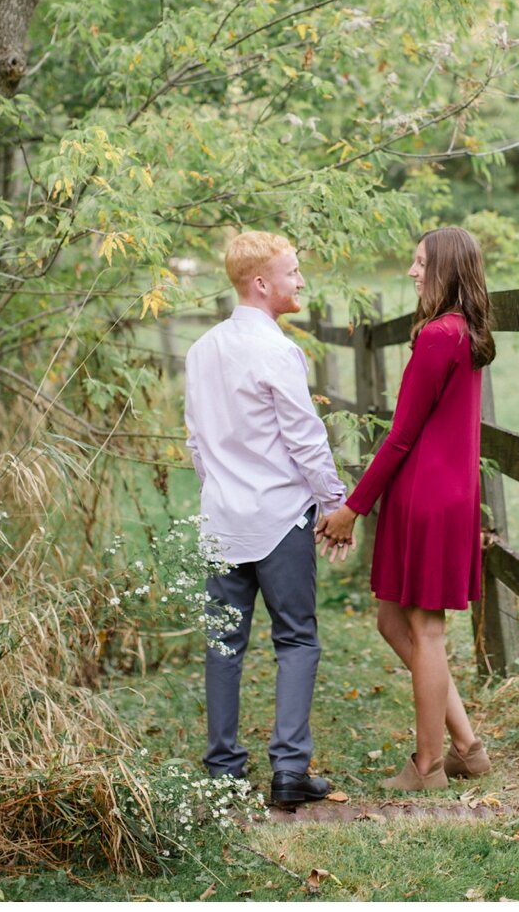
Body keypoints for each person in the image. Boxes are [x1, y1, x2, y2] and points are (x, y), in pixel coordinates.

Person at [318, 227, 495, 792]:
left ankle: (427, 768)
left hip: (429, 496)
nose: (413, 272)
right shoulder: (459, 331)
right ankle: (467, 747)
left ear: (444, 268)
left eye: (420, 263)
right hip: (436, 491)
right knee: (393, 620)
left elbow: (400, 436)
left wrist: (353, 507)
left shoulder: (441, 336)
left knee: (426, 630)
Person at [184, 231, 342, 807]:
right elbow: (305, 438)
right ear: (261, 283)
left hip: (222, 517)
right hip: (279, 518)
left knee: (223, 644)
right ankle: (289, 771)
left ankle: (224, 768)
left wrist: (221, 493)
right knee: (296, 639)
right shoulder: (277, 351)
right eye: (293, 271)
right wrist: (332, 502)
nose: (300, 281)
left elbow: (197, 443)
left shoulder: (201, 351)